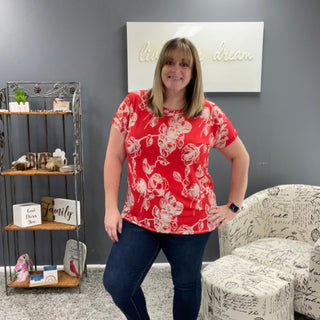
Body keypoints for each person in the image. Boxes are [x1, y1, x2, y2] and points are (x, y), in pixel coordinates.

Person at [103, 37, 250, 320]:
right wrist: (111, 207)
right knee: (117, 283)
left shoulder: (208, 113)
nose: (176, 69)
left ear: (193, 72)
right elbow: (114, 157)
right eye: (170, 61)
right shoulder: (133, 104)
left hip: (191, 220)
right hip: (139, 216)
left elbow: (240, 157)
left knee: (186, 286)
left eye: (185, 64)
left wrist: (233, 206)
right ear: (160, 66)